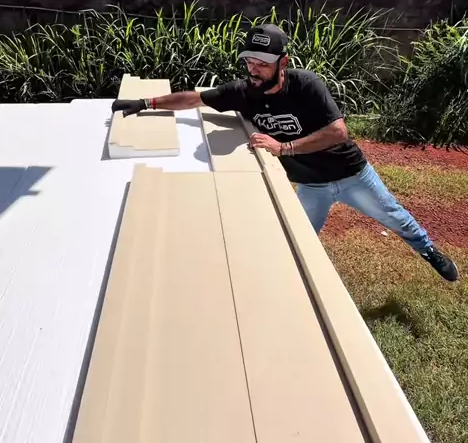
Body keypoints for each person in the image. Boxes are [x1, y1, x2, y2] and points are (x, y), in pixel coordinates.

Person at [112, 23, 458, 282]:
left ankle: (430, 252)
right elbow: (194, 99)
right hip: (311, 186)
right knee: (299, 240)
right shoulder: (243, 92)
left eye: (263, 63)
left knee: (396, 218)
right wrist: (146, 102)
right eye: (250, 61)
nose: (254, 69)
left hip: (351, 175)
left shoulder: (307, 85)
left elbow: (338, 131)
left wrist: (284, 147)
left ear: (283, 62)